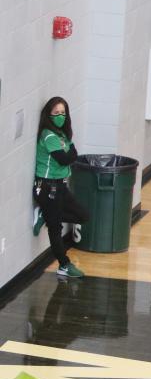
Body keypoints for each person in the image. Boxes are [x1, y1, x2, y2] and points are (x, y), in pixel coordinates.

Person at [33, 97, 89, 279]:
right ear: (48, 114)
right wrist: (70, 155)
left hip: (60, 186)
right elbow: (66, 158)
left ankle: (44, 215)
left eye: (63, 113)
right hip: (47, 187)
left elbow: (74, 154)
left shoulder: (62, 134)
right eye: (56, 113)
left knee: (83, 216)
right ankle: (64, 265)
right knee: (55, 228)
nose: (60, 116)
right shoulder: (48, 135)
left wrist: (70, 155)